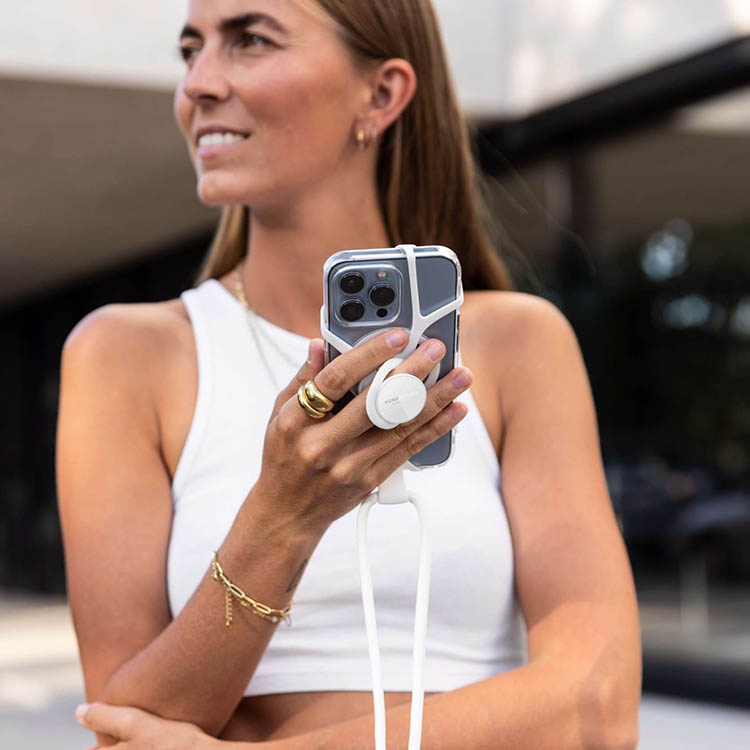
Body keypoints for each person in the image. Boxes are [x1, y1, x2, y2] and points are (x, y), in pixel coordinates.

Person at [57, 1, 642, 748]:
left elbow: (599, 704)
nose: (197, 83)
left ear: (382, 93)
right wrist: (282, 516)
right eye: (190, 50)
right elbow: (117, 729)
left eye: (251, 40)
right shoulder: (124, 356)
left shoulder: (521, 343)